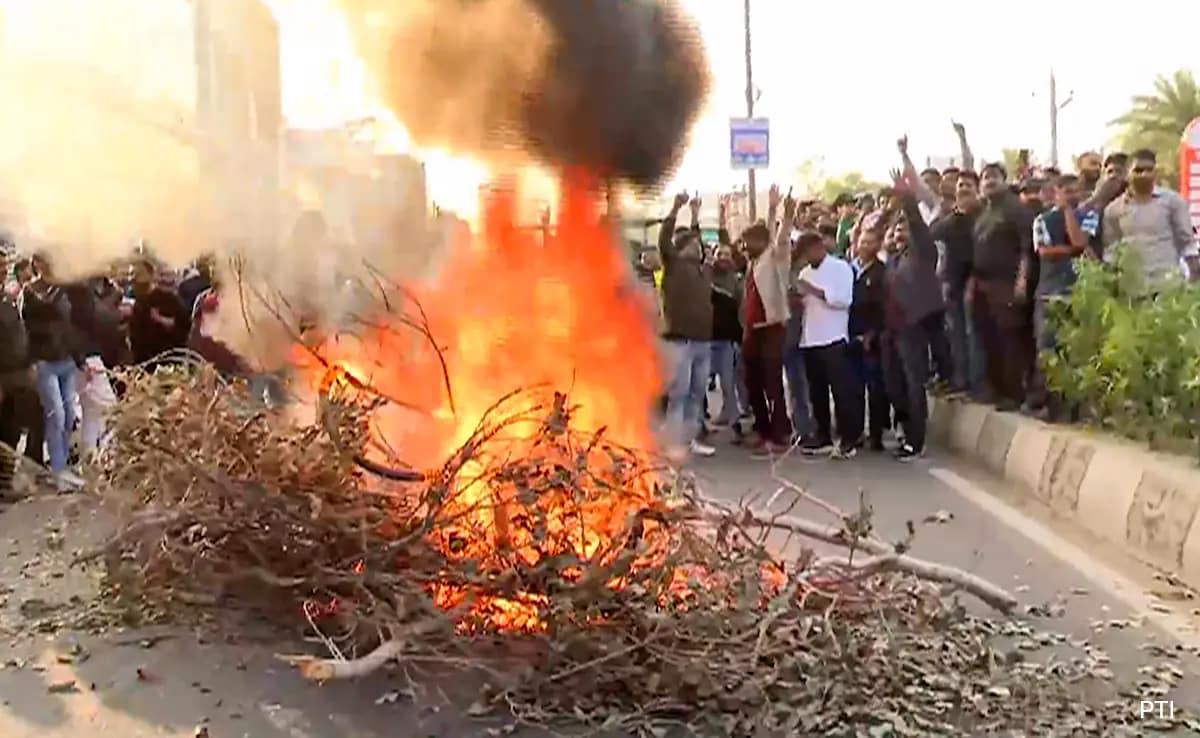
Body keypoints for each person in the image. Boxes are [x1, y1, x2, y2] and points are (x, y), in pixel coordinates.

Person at [880, 170, 946, 460]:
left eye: (904, 229)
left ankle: (916, 442)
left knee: (912, 383)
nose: (900, 233)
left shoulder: (924, 251)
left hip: (914, 326)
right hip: (892, 330)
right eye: (897, 231)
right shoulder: (895, 260)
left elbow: (918, 225)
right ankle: (905, 431)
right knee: (894, 386)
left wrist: (907, 198)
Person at [1025, 174, 1100, 419]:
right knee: (1047, 350)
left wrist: (1069, 214)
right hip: (1049, 291)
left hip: (1079, 292)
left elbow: (1080, 239)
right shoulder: (1042, 220)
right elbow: (1045, 252)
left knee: (1076, 350)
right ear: (1056, 192)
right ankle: (1048, 405)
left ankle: (1074, 407)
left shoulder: (1088, 216)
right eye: (1066, 191)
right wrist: (1074, 250)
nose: (1071, 195)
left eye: (1074, 190)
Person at [970, 163, 1036, 411]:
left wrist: (1022, 281)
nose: (989, 181)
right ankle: (995, 391)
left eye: (994, 177)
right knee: (990, 339)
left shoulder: (1016, 209)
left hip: (1007, 282)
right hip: (982, 285)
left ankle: (1013, 394)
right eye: (985, 177)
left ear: (1005, 180)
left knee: (1010, 339)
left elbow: (1026, 249)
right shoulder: (983, 212)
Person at [657, 192, 716, 460]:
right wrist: (676, 208)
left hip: (703, 340)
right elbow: (664, 240)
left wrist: (695, 215)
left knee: (696, 393)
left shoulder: (703, 269)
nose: (700, 247)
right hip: (680, 340)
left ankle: (690, 440)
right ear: (682, 248)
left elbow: (698, 237)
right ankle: (672, 442)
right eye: (694, 244)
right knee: (678, 393)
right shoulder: (674, 264)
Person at [20, 254, 84, 490]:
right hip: (44, 362)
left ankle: (63, 464)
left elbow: (69, 327)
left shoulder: (63, 290)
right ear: (36, 264)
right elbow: (25, 329)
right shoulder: (30, 292)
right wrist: (30, 361)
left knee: (68, 416)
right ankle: (58, 471)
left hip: (66, 359)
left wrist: (80, 360)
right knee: (55, 414)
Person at [741, 185, 794, 457]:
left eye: (748, 242)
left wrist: (781, 213)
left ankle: (779, 434)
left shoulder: (774, 259)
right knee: (752, 382)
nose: (744, 246)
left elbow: (780, 239)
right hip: (752, 332)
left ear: (760, 243)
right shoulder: (752, 263)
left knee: (772, 383)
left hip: (772, 329)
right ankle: (762, 431)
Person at [795, 228, 857, 458]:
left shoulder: (841, 268)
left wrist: (814, 291)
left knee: (841, 392)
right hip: (810, 338)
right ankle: (823, 437)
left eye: (807, 253)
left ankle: (848, 440)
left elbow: (843, 300)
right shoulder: (803, 273)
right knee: (816, 392)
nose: (805, 258)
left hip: (834, 338)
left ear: (818, 248)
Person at [1101, 149, 1200, 287]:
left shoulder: (1173, 202)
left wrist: (1194, 276)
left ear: (1155, 173)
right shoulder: (1113, 210)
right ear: (1127, 174)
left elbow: (1187, 242)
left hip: (1168, 284)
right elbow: (1111, 249)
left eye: (1149, 170)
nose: (1144, 175)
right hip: (1132, 287)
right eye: (1138, 170)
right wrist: (1110, 281)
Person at [932, 170, 984, 395]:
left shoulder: (983, 217)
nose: (963, 189)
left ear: (977, 190)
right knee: (956, 335)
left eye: (968, 185)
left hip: (978, 284)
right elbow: (932, 235)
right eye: (960, 185)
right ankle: (961, 381)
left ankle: (977, 384)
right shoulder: (948, 221)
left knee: (974, 335)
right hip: (952, 285)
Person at [0, 273, 44, 500]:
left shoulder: (7, 300)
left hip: (19, 374)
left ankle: (6, 484)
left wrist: (29, 365)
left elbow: (19, 335)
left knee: (13, 430)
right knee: (3, 432)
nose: (1, 272)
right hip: (4, 376)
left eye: (3, 267)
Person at [847, 217, 889, 451]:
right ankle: (854, 433)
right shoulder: (846, 269)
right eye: (862, 241)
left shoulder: (882, 272)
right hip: (848, 336)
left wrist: (871, 334)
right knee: (853, 390)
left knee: (875, 390)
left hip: (872, 339)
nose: (865, 246)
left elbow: (883, 308)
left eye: (870, 242)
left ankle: (876, 435)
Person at [709, 196, 745, 429]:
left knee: (729, 382)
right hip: (704, 338)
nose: (722, 258)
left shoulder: (735, 280)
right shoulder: (707, 274)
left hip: (728, 340)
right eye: (718, 254)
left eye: (726, 255)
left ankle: (734, 422)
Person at [128, 258, 190, 370]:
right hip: (145, 364)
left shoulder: (174, 302)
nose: (135, 278)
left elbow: (184, 328)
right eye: (132, 274)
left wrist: (163, 321)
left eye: (139, 274)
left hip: (168, 365)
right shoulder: (141, 303)